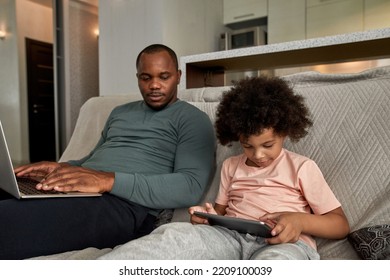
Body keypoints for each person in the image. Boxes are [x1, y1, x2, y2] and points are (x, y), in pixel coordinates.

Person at [0, 44, 216, 259]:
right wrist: (62, 167)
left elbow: (190, 186)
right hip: (84, 191)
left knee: (8, 220)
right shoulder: (120, 112)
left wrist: (108, 181)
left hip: (126, 205)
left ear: (178, 76)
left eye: (164, 76)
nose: (154, 85)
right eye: (146, 77)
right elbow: (93, 159)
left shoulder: (193, 119)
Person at [99, 75, 350, 260]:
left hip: (286, 244)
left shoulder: (301, 167)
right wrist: (206, 218)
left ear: (285, 132)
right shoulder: (231, 165)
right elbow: (219, 211)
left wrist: (299, 221)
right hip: (229, 238)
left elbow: (339, 225)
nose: (258, 155)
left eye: (268, 145)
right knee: (174, 236)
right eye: (247, 146)